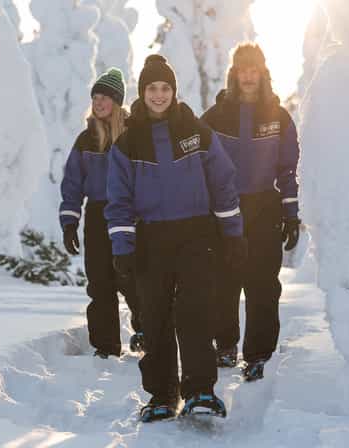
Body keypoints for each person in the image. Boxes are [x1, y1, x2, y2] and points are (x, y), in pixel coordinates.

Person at [105, 54, 247, 422]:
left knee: (195, 313)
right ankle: (162, 395)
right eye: (152, 88)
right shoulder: (128, 143)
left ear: (173, 91)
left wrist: (232, 234)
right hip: (151, 240)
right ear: (142, 92)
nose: (159, 94)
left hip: (196, 235)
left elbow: (222, 182)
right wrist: (123, 247)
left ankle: (200, 390)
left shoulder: (196, 132)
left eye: (165, 87)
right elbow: (118, 200)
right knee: (155, 318)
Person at [200, 43, 301, 382]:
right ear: (234, 73)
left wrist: (291, 213)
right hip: (225, 212)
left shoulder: (278, 116)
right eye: (242, 68)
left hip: (264, 210)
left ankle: (258, 354)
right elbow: (197, 163)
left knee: (262, 285)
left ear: (262, 73)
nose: (247, 75)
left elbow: (289, 169)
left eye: (253, 68)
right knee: (223, 283)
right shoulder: (215, 117)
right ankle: (226, 345)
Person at [59, 68, 143, 359]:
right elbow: (72, 182)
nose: (98, 102)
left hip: (131, 216)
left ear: (117, 101)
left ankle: (145, 329)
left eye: (104, 97)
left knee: (133, 278)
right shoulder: (86, 140)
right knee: (100, 282)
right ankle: (106, 346)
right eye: (95, 97)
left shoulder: (133, 135)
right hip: (97, 216)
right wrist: (70, 221)